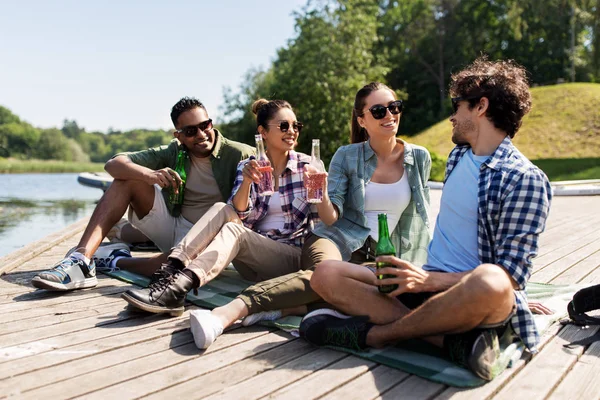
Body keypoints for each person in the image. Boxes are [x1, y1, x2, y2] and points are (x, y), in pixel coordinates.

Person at [300, 57, 553, 382]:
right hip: (425, 280)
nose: (451, 115)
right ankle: (450, 341)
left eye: (457, 104)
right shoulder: (459, 156)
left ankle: (375, 336)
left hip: (471, 293)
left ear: (480, 107)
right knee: (325, 274)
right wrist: (418, 275)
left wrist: (430, 281)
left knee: (491, 279)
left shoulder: (525, 179)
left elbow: (511, 277)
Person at [189, 82, 432, 349]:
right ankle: (230, 311)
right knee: (324, 274)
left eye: (394, 107)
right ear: (362, 120)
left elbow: (419, 221)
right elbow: (331, 217)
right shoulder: (347, 155)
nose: (389, 115)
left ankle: (288, 308)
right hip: (335, 238)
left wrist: (420, 265)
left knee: (371, 293)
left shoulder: (419, 157)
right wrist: (323, 191)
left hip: (381, 252)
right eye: (378, 111)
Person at [121, 99, 320, 337]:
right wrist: (247, 181)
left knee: (232, 230)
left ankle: (177, 287)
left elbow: (320, 221)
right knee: (221, 208)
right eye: (284, 126)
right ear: (263, 132)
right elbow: (241, 214)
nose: (292, 131)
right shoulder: (249, 165)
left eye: (295, 126)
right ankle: (171, 272)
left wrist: (322, 190)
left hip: (289, 258)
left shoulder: (308, 166)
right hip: (253, 261)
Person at [31, 97, 254, 291]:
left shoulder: (239, 153)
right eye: (190, 131)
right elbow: (113, 164)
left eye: (205, 125)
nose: (201, 134)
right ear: (179, 136)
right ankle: (80, 259)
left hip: (211, 235)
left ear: (211, 123)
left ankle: (115, 261)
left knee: (171, 267)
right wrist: (149, 175)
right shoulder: (174, 151)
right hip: (175, 224)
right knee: (126, 180)